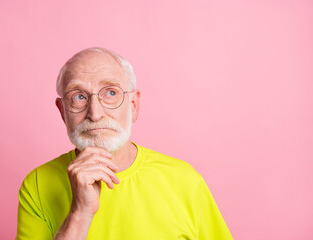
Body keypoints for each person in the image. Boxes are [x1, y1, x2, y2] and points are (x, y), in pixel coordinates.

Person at [16, 47, 233, 240]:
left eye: (111, 93)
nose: (95, 113)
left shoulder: (185, 180)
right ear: (63, 111)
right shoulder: (37, 184)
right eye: (79, 96)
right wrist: (80, 213)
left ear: (134, 105)